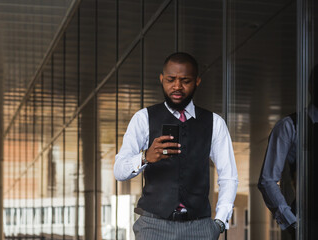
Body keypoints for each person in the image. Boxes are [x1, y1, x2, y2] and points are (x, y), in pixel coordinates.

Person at [114, 52, 238, 240]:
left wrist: (220, 222)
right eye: (171, 79)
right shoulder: (143, 118)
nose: (177, 86)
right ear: (162, 79)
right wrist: (145, 156)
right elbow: (119, 171)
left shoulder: (214, 123)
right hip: (153, 226)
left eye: (185, 80)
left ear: (197, 81)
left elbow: (228, 176)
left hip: (200, 227)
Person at [258, 65, 318, 240]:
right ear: (311, 86)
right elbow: (267, 180)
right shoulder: (290, 125)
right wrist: (292, 223)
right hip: (309, 224)